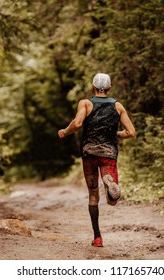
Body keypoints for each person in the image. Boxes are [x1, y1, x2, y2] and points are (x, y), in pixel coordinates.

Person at [58, 73, 136, 247]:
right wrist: (114, 134)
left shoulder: (85, 103)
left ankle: (98, 237)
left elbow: (77, 124)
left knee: (93, 195)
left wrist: (65, 131)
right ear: (109, 88)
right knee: (112, 201)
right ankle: (108, 183)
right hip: (108, 154)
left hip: (89, 153)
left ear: (93, 86)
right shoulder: (118, 106)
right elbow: (131, 132)